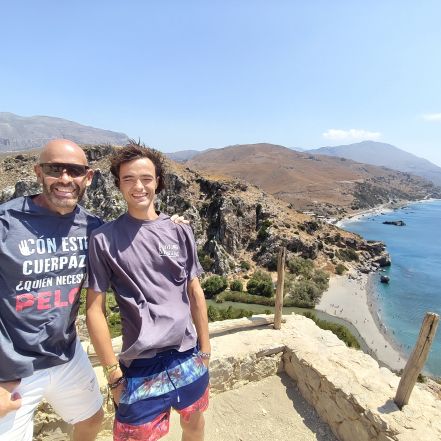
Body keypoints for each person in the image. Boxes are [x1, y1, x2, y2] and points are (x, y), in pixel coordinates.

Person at [86, 142, 210, 441]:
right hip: (140, 364)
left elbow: (195, 291)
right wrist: (113, 374)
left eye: (146, 178)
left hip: (187, 355)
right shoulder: (103, 240)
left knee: (195, 423)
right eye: (128, 178)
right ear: (118, 184)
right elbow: (94, 309)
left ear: (158, 182)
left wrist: (205, 350)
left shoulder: (180, 230)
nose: (138, 186)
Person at [0, 139, 104, 441]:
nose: (64, 179)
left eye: (74, 171)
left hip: (66, 354)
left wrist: (169, 226)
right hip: (11, 368)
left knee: (92, 419)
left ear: (88, 177)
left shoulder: (93, 227)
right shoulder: (6, 223)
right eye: (54, 169)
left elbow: (133, 240)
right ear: (38, 172)